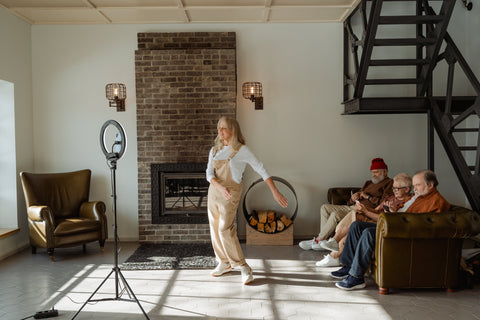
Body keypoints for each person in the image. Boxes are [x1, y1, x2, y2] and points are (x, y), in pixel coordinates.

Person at [331, 169, 450, 290]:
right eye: (414, 186)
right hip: (394, 223)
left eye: (417, 185)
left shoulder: (437, 201)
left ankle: (356, 277)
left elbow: (422, 224)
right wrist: (394, 211)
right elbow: (404, 211)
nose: (415, 189)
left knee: (369, 232)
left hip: (401, 231)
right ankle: (348, 266)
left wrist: (395, 215)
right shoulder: (417, 197)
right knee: (357, 225)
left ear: (430, 185)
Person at [206, 116, 288, 285]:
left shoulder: (242, 150)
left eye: (224, 128)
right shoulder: (214, 150)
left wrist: (275, 191)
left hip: (231, 193)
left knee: (224, 229)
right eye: (219, 127)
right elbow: (209, 174)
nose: (220, 131)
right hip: (214, 192)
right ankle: (224, 262)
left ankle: (243, 266)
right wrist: (219, 187)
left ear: (233, 130)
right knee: (214, 228)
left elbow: (262, 169)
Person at [316, 173, 413, 267]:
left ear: (407, 189)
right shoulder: (391, 197)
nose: (394, 190)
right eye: (393, 188)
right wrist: (363, 208)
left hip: (381, 222)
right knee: (356, 214)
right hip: (375, 217)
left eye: (397, 188)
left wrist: (367, 212)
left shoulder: (406, 203)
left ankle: (334, 247)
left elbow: (387, 219)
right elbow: (376, 210)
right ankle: (334, 254)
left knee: (357, 217)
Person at [299, 158, 394, 251]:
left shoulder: (389, 183)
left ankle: (318, 240)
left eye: (377, 172)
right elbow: (352, 200)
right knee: (325, 207)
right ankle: (325, 240)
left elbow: (382, 202)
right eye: (372, 172)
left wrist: (367, 197)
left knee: (335, 215)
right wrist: (353, 198)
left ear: (385, 172)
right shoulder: (368, 183)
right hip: (353, 206)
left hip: (364, 209)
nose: (374, 175)